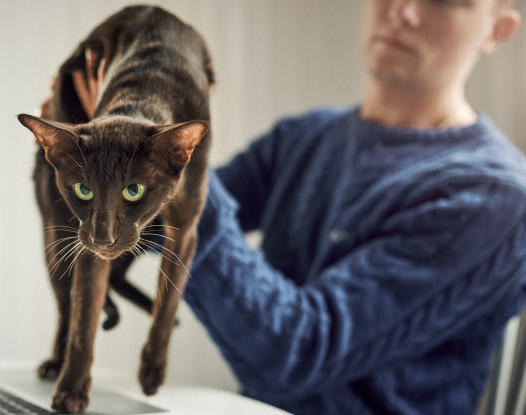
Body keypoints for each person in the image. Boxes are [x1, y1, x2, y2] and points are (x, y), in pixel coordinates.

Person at [47, 0, 525, 413]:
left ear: (497, 30)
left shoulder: (496, 200)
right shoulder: (307, 136)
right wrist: (100, 148)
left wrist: (165, 162)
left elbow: (297, 354)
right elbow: (149, 231)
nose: (402, 11)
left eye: (444, 1)